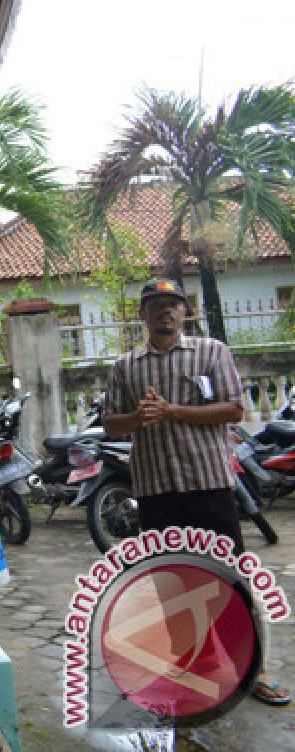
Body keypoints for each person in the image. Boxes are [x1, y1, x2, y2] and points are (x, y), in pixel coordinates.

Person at [103, 279, 291, 707]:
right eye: (155, 305)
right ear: (142, 314)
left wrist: (172, 411)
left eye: (172, 305)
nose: (164, 312)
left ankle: (251, 670)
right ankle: (196, 666)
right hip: (156, 491)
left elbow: (232, 409)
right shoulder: (126, 367)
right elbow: (113, 423)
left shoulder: (212, 352)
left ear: (185, 312)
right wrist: (140, 416)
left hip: (208, 486)